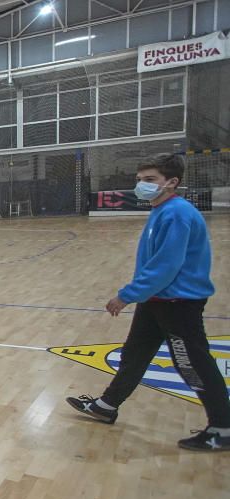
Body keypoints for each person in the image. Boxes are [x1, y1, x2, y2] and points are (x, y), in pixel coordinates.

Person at [66, 153, 230, 452]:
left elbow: (166, 266)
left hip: (177, 302)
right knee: (135, 354)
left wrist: (126, 295)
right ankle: (107, 405)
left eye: (150, 180)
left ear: (171, 182)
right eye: (139, 180)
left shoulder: (177, 213)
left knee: (192, 362)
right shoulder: (162, 210)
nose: (142, 185)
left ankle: (222, 426)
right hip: (157, 299)